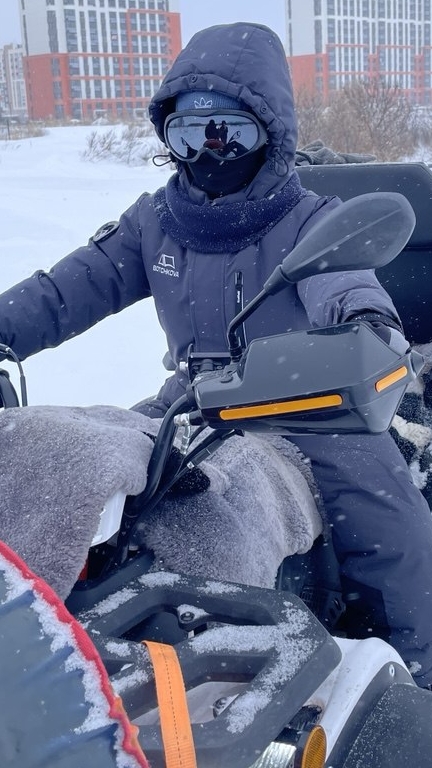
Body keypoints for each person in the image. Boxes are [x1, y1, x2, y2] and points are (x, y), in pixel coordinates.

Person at [1, 21, 432, 688]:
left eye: (228, 131)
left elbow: (345, 284)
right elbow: (64, 293)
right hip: (194, 402)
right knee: (80, 460)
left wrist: (364, 328)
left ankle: (415, 665)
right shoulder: (154, 221)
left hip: (306, 403)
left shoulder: (310, 219)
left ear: (271, 134)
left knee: (390, 516)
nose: (209, 150)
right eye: (188, 133)